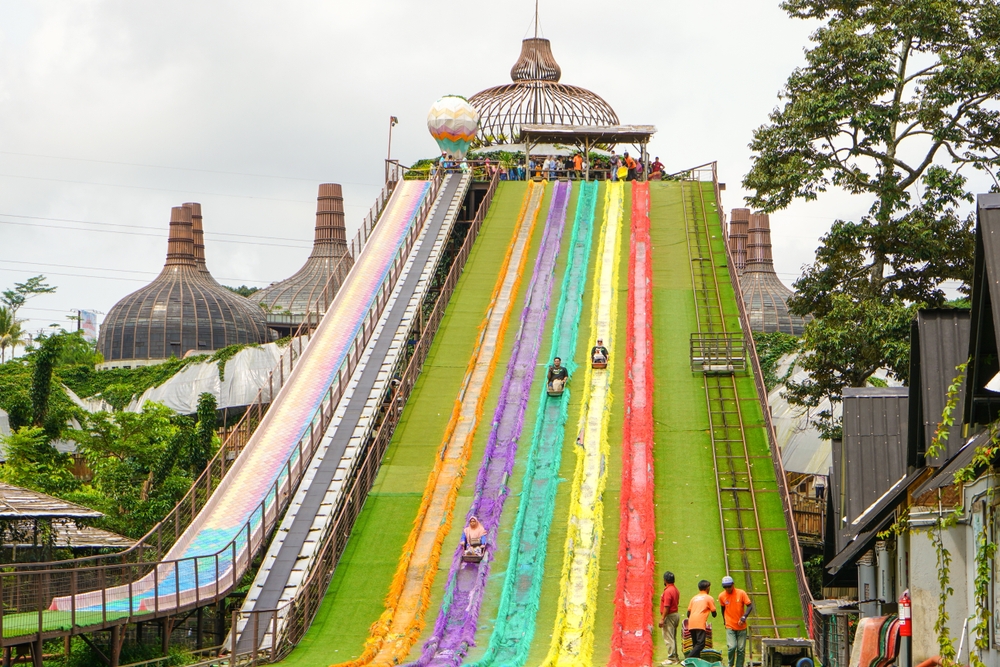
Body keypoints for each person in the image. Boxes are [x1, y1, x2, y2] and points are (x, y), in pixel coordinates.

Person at [719, 576, 753, 667]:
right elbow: (723, 610)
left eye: (729, 586)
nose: (727, 589)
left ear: (733, 584)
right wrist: (725, 621)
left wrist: (744, 617)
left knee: (741, 649)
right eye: (725, 587)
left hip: (741, 626)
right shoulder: (722, 596)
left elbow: (749, 606)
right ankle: (730, 664)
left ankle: (739, 665)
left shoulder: (741, 593)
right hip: (730, 625)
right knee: (732, 647)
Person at [686, 580, 717, 658]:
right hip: (699, 622)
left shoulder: (694, 598)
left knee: (695, 644)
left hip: (691, 622)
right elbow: (714, 613)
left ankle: (695, 662)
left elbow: (688, 613)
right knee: (701, 644)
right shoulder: (709, 598)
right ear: (707, 588)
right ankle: (688, 659)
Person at [658, 571, 680, 665]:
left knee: (668, 637)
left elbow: (666, 606)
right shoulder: (675, 590)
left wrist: (663, 618)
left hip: (669, 616)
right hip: (675, 615)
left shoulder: (668, 591)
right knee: (673, 637)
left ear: (665, 580)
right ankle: (675, 657)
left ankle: (671, 658)